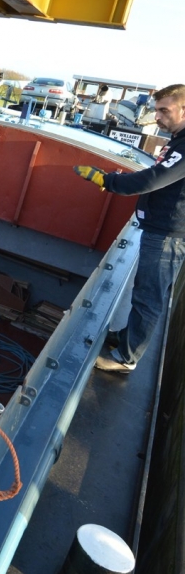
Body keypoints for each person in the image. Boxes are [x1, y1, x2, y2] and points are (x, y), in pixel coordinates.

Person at [73, 83, 185, 373]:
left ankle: (126, 359)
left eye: (164, 110)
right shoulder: (177, 140)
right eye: (156, 110)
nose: (157, 117)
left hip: (167, 235)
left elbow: (151, 180)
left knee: (148, 297)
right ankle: (126, 338)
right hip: (161, 230)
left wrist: (107, 181)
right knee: (144, 291)